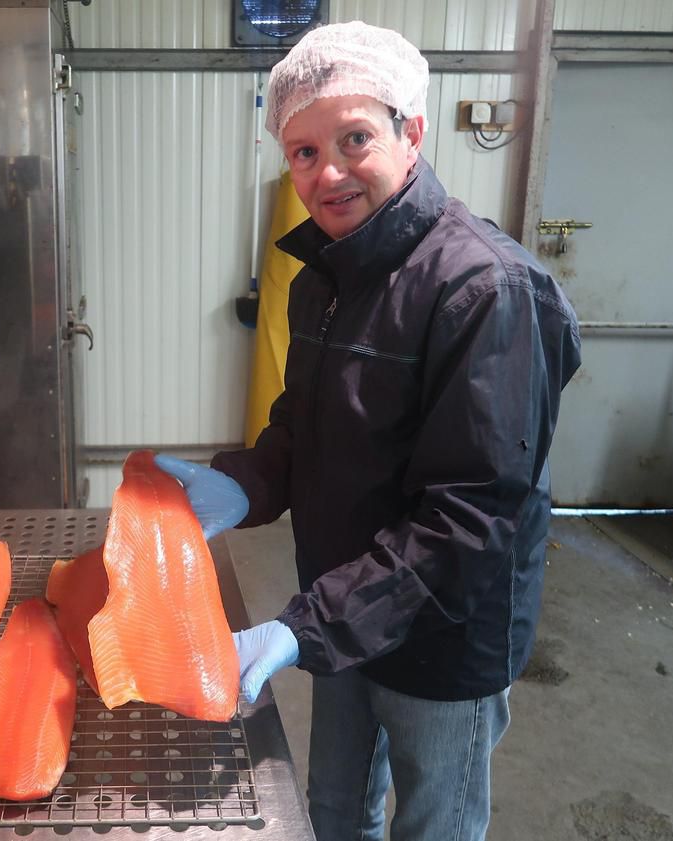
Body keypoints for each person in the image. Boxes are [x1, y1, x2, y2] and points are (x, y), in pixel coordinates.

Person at [154, 21, 582, 841]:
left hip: (445, 636)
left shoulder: (485, 289)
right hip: (346, 609)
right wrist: (244, 482)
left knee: (436, 823)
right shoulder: (326, 277)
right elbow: (307, 425)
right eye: (304, 152)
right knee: (335, 811)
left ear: (410, 130)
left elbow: (470, 519)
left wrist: (304, 627)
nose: (329, 172)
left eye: (354, 138)